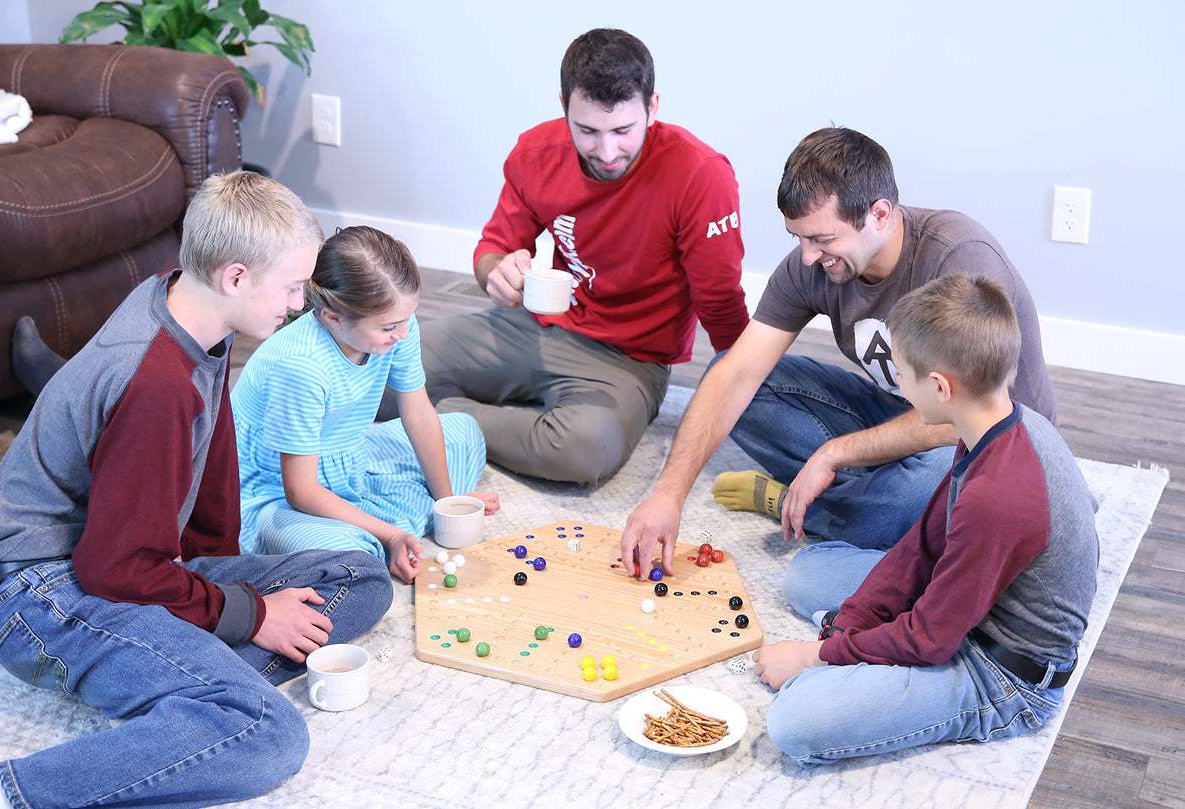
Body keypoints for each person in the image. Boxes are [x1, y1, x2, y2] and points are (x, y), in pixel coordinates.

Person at [0, 171, 391, 809]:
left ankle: (178, 695)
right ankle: (3, 793)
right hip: (42, 592)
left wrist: (221, 582)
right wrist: (247, 611)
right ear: (235, 277)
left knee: (359, 576)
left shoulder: (186, 305)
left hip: (126, 562)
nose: (299, 305)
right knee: (265, 734)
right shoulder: (156, 383)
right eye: (291, 287)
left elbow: (207, 472)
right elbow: (111, 568)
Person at [622, 127, 1057, 575]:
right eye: (799, 238)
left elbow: (962, 415)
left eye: (823, 239)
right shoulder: (812, 266)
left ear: (880, 215)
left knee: (925, 494)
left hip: (990, 440)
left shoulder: (959, 258)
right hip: (901, 410)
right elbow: (737, 374)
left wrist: (834, 454)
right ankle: (869, 497)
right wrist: (666, 495)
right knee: (730, 378)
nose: (809, 257)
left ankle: (809, 504)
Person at [750, 274, 1098, 764]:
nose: (897, 385)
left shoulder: (999, 495)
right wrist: (845, 631)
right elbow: (923, 547)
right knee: (806, 575)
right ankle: (862, 652)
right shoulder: (992, 422)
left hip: (1003, 671)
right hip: (965, 605)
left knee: (796, 723)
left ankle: (863, 673)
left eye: (900, 373)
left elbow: (931, 637)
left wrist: (813, 656)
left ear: (939, 386)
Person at [403, 28, 749, 485]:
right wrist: (498, 272)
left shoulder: (700, 176)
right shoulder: (536, 151)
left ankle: (433, 418)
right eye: (587, 130)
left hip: (630, 360)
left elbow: (720, 302)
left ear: (653, 107)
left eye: (623, 130)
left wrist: (747, 388)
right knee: (387, 361)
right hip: (535, 326)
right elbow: (493, 248)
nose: (607, 152)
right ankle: (440, 412)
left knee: (584, 450)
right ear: (564, 104)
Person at [231, 226, 500, 581]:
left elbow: (418, 414)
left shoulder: (398, 323)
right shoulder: (300, 366)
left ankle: (399, 518)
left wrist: (447, 502)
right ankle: (379, 535)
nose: (402, 334)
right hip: (276, 489)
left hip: (348, 458)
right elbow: (300, 490)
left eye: (406, 320)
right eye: (389, 327)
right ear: (333, 318)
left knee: (463, 430)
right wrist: (389, 535)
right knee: (353, 556)